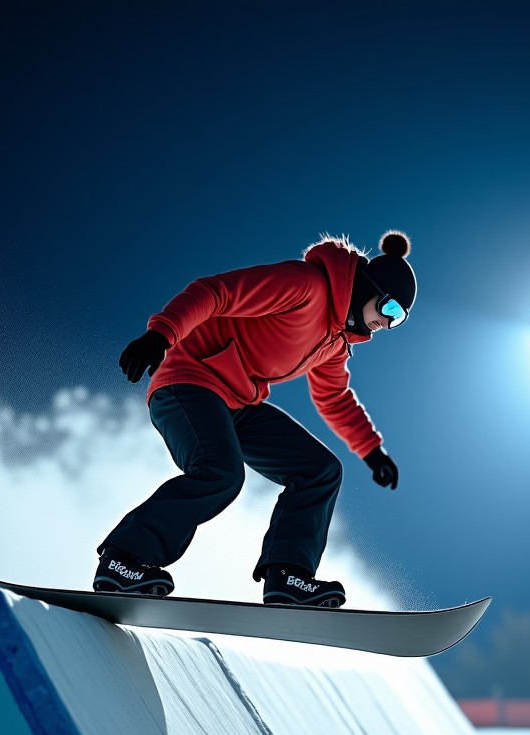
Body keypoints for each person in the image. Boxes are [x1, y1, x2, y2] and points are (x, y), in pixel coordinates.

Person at [93, 231, 417, 607]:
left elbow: (333, 396)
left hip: (236, 402)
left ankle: (288, 576)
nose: (387, 324)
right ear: (370, 288)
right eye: (390, 310)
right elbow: (216, 293)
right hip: (189, 381)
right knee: (220, 472)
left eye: (399, 321)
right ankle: (125, 560)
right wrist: (161, 335)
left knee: (321, 470)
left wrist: (372, 451)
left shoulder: (334, 341)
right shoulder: (305, 285)